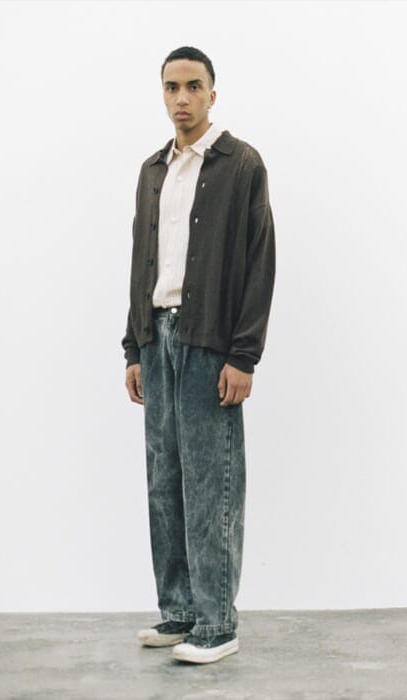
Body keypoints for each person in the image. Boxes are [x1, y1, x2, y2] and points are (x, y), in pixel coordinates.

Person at [122, 46, 276, 664]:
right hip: (156, 338)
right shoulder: (152, 170)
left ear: (213, 93)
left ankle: (217, 623)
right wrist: (133, 345)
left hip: (209, 340)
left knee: (212, 481)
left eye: (192, 86)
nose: (181, 98)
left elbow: (260, 261)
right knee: (164, 481)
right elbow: (142, 261)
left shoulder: (242, 164)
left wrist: (244, 355)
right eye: (171, 87)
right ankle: (180, 610)